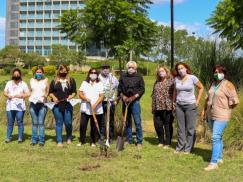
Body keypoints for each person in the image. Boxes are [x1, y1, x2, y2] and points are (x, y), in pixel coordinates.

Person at [201, 65, 239, 171]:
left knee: (215, 137)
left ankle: (213, 163)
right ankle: (219, 158)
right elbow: (207, 98)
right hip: (210, 114)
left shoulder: (228, 84)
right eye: (215, 72)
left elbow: (235, 100)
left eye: (220, 72)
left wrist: (227, 109)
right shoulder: (213, 84)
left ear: (224, 73)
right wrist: (204, 111)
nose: (217, 73)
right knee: (218, 137)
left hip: (222, 115)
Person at [173, 62, 204, 154]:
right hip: (179, 105)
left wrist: (197, 100)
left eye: (182, 68)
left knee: (190, 128)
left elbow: (201, 88)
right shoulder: (176, 79)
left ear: (186, 68)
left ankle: (188, 148)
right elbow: (175, 90)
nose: (180, 70)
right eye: (178, 69)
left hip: (190, 105)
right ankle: (180, 147)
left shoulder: (192, 78)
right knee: (180, 128)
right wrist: (173, 102)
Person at [118, 61, 145, 148]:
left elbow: (142, 89)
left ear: (135, 68)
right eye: (129, 67)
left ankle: (139, 141)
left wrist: (134, 97)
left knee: (137, 122)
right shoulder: (123, 76)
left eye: (132, 67)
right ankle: (129, 140)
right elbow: (119, 89)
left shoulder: (139, 77)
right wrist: (123, 97)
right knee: (127, 121)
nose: (131, 69)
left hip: (135, 102)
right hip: (125, 102)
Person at [49, 64, 77, 147]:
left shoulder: (71, 80)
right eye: (62, 71)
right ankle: (59, 141)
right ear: (59, 71)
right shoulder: (54, 81)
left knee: (68, 122)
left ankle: (69, 137)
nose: (63, 72)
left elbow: (74, 92)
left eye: (65, 71)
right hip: (57, 105)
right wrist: (53, 97)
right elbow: (50, 92)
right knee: (59, 122)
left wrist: (71, 96)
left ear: (67, 71)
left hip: (68, 104)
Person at [77, 68, 105, 147]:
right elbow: (80, 94)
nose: (93, 74)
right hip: (86, 107)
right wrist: (86, 99)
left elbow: (102, 96)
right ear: (89, 74)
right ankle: (82, 141)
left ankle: (93, 141)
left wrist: (95, 104)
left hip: (96, 108)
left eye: (95, 72)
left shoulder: (100, 83)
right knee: (83, 125)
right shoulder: (84, 83)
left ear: (97, 74)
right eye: (92, 72)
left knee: (94, 125)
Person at [4, 68, 30, 143]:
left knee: (20, 122)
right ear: (12, 75)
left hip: (20, 107)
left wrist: (22, 95)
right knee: (10, 122)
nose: (16, 75)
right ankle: (8, 138)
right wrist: (8, 95)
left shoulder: (23, 83)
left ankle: (20, 138)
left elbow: (28, 93)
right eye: (15, 74)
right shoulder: (9, 83)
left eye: (17, 74)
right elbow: (5, 92)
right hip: (10, 106)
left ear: (20, 75)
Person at [152, 65, 174, 149]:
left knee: (167, 125)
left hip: (168, 106)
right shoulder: (156, 82)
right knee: (157, 124)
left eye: (162, 71)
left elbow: (175, 92)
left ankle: (168, 142)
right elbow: (154, 94)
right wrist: (153, 106)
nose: (161, 73)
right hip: (157, 107)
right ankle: (161, 141)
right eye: (159, 71)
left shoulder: (171, 81)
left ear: (166, 71)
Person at [29, 66, 49, 146]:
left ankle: (41, 140)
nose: (39, 74)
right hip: (33, 104)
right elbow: (30, 91)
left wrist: (45, 96)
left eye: (40, 72)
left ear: (42, 73)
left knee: (41, 123)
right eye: (37, 72)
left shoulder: (45, 80)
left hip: (42, 104)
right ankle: (34, 140)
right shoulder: (31, 80)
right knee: (34, 123)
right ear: (35, 73)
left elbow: (48, 91)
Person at [99, 64, 119, 143]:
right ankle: (102, 136)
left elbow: (119, 87)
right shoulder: (98, 78)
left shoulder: (113, 78)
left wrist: (116, 99)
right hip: (100, 102)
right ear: (101, 69)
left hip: (111, 102)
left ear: (109, 69)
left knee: (110, 120)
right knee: (101, 120)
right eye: (104, 68)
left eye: (107, 68)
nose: (105, 70)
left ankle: (110, 136)